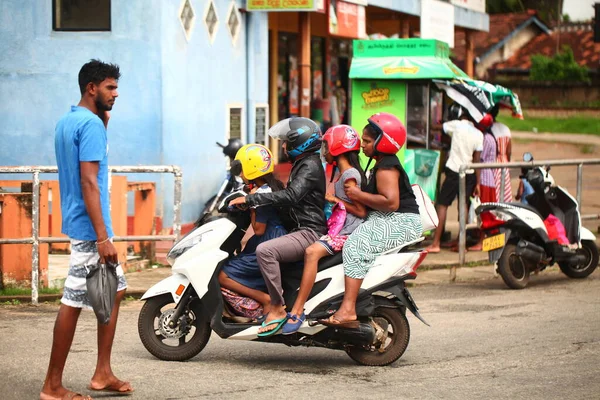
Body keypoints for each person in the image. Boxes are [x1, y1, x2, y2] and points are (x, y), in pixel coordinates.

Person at [41, 60, 133, 400]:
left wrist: (104, 125)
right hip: (90, 229)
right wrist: (103, 237)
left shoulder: (69, 120)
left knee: (117, 288)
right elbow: (89, 181)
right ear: (91, 88)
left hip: (81, 221)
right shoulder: (90, 125)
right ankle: (52, 386)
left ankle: (102, 372)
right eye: (110, 87)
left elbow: (84, 166)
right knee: (73, 301)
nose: (116, 93)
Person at [320, 113, 423, 327]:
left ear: (381, 142)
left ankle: (348, 309)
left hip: (401, 220)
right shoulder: (379, 164)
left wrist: (357, 194)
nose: (363, 145)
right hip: (388, 217)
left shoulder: (387, 167)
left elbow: (391, 202)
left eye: (367, 141)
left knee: (356, 246)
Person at [228, 117, 327, 337]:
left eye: (286, 142)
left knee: (266, 250)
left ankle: (277, 307)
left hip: (309, 231)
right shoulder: (303, 164)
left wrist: (251, 201)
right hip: (299, 229)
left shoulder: (309, 166)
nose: (283, 146)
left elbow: (292, 196)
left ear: (298, 142)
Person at [282, 125, 367, 334]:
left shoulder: (349, 176)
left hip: (348, 233)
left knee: (311, 252)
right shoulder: (342, 172)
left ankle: (298, 308)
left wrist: (334, 199)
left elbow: (361, 210)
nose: (324, 151)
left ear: (338, 147)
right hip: (341, 229)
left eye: (327, 146)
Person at [218, 144, 287, 316]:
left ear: (251, 168)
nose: (240, 175)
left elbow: (258, 229)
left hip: (267, 240)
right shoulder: (271, 186)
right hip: (275, 237)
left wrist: (250, 203)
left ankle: (265, 300)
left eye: (242, 170)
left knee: (223, 276)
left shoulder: (261, 194)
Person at [426, 104, 483, 254]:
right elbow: (477, 161)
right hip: (469, 174)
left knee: (442, 205)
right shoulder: (479, 134)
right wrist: (478, 183)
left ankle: (436, 243)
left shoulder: (456, 125)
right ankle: (461, 243)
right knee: (463, 206)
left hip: (454, 171)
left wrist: (430, 121)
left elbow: (436, 127)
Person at [491, 119, 513, 202]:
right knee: (505, 188)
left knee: (496, 188)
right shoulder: (506, 128)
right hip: (505, 160)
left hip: (495, 161)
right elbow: (509, 151)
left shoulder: (491, 129)